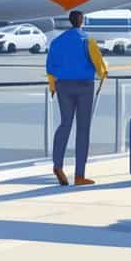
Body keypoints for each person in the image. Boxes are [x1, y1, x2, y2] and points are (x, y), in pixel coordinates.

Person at [46, 10, 109, 186]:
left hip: (63, 85)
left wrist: (53, 87)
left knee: (65, 124)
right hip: (84, 86)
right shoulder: (87, 40)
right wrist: (104, 73)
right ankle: (79, 175)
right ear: (81, 22)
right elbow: (98, 63)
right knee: (83, 129)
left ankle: (57, 164)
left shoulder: (57, 42)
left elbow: (50, 67)